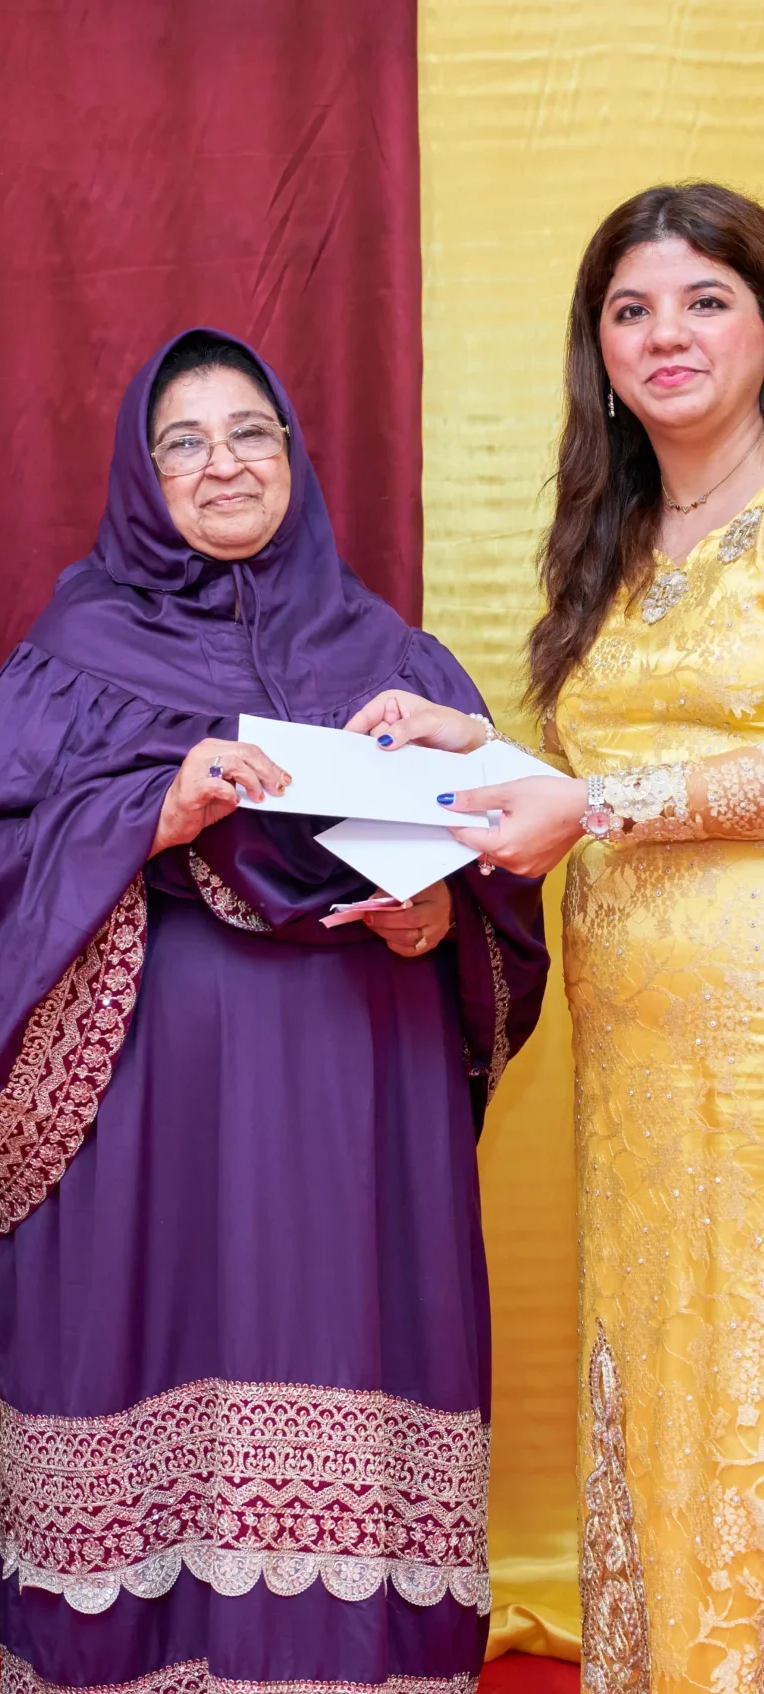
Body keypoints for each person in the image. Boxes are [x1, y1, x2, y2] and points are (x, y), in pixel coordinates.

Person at [0, 328, 549, 1694]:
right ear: (139, 473)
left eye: (250, 434)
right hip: (149, 1108)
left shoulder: (394, 661)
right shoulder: (74, 656)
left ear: (293, 454)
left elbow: (502, 868)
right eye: (184, 442)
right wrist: (155, 812)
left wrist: (440, 917)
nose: (222, 464)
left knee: (342, 1348)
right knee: (155, 1360)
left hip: (359, 1098)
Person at [347, 181, 764, 1694]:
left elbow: (616, 795)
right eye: (629, 309)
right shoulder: (616, 530)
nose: (665, 335)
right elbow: (597, 769)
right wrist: (480, 754)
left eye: (705, 299)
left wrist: (588, 803)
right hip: (638, 1063)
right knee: (663, 1360)